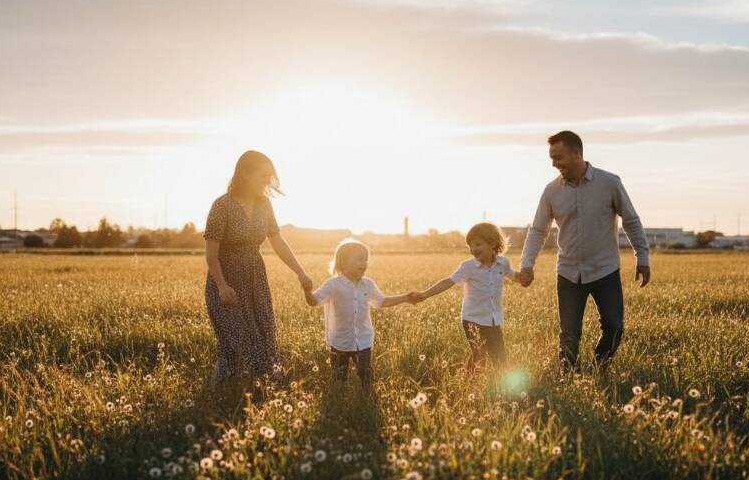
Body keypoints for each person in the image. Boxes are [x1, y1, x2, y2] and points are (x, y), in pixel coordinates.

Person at [519, 131, 650, 374]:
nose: (554, 164)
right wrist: (527, 263)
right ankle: (569, 378)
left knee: (614, 326)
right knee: (569, 334)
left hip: (605, 270)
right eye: (551, 158)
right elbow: (538, 230)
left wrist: (642, 257)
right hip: (568, 273)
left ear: (576, 153)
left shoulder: (610, 183)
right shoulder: (551, 191)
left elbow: (631, 220)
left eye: (558, 157)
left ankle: (601, 365)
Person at [203, 150, 313, 389]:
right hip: (226, 282)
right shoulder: (222, 205)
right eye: (262, 176)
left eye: (269, 176)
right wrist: (222, 285)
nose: (267, 181)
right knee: (235, 341)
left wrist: (300, 272)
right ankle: (221, 394)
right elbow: (211, 253)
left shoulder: (265, 205)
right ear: (244, 174)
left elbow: (278, 241)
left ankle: (262, 392)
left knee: (264, 335)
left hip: (256, 280)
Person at [303, 239, 414, 390]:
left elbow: (381, 301)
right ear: (343, 261)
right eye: (359, 259)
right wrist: (307, 291)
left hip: (363, 340)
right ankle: (338, 402)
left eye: (366, 259)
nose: (364, 263)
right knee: (338, 378)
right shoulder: (333, 285)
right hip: (340, 342)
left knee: (366, 375)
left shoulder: (368, 284)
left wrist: (405, 297)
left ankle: (366, 399)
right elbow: (313, 301)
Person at [413, 222, 522, 370]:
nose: (473, 249)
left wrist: (524, 278)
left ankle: (501, 386)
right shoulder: (468, 266)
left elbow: (513, 275)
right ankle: (469, 385)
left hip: (493, 319)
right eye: (470, 245)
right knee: (479, 355)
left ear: (492, 243)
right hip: (472, 319)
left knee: (500, 357)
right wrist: (425, 294)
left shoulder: (503, 263)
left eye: (478, 244)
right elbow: (448, 281)